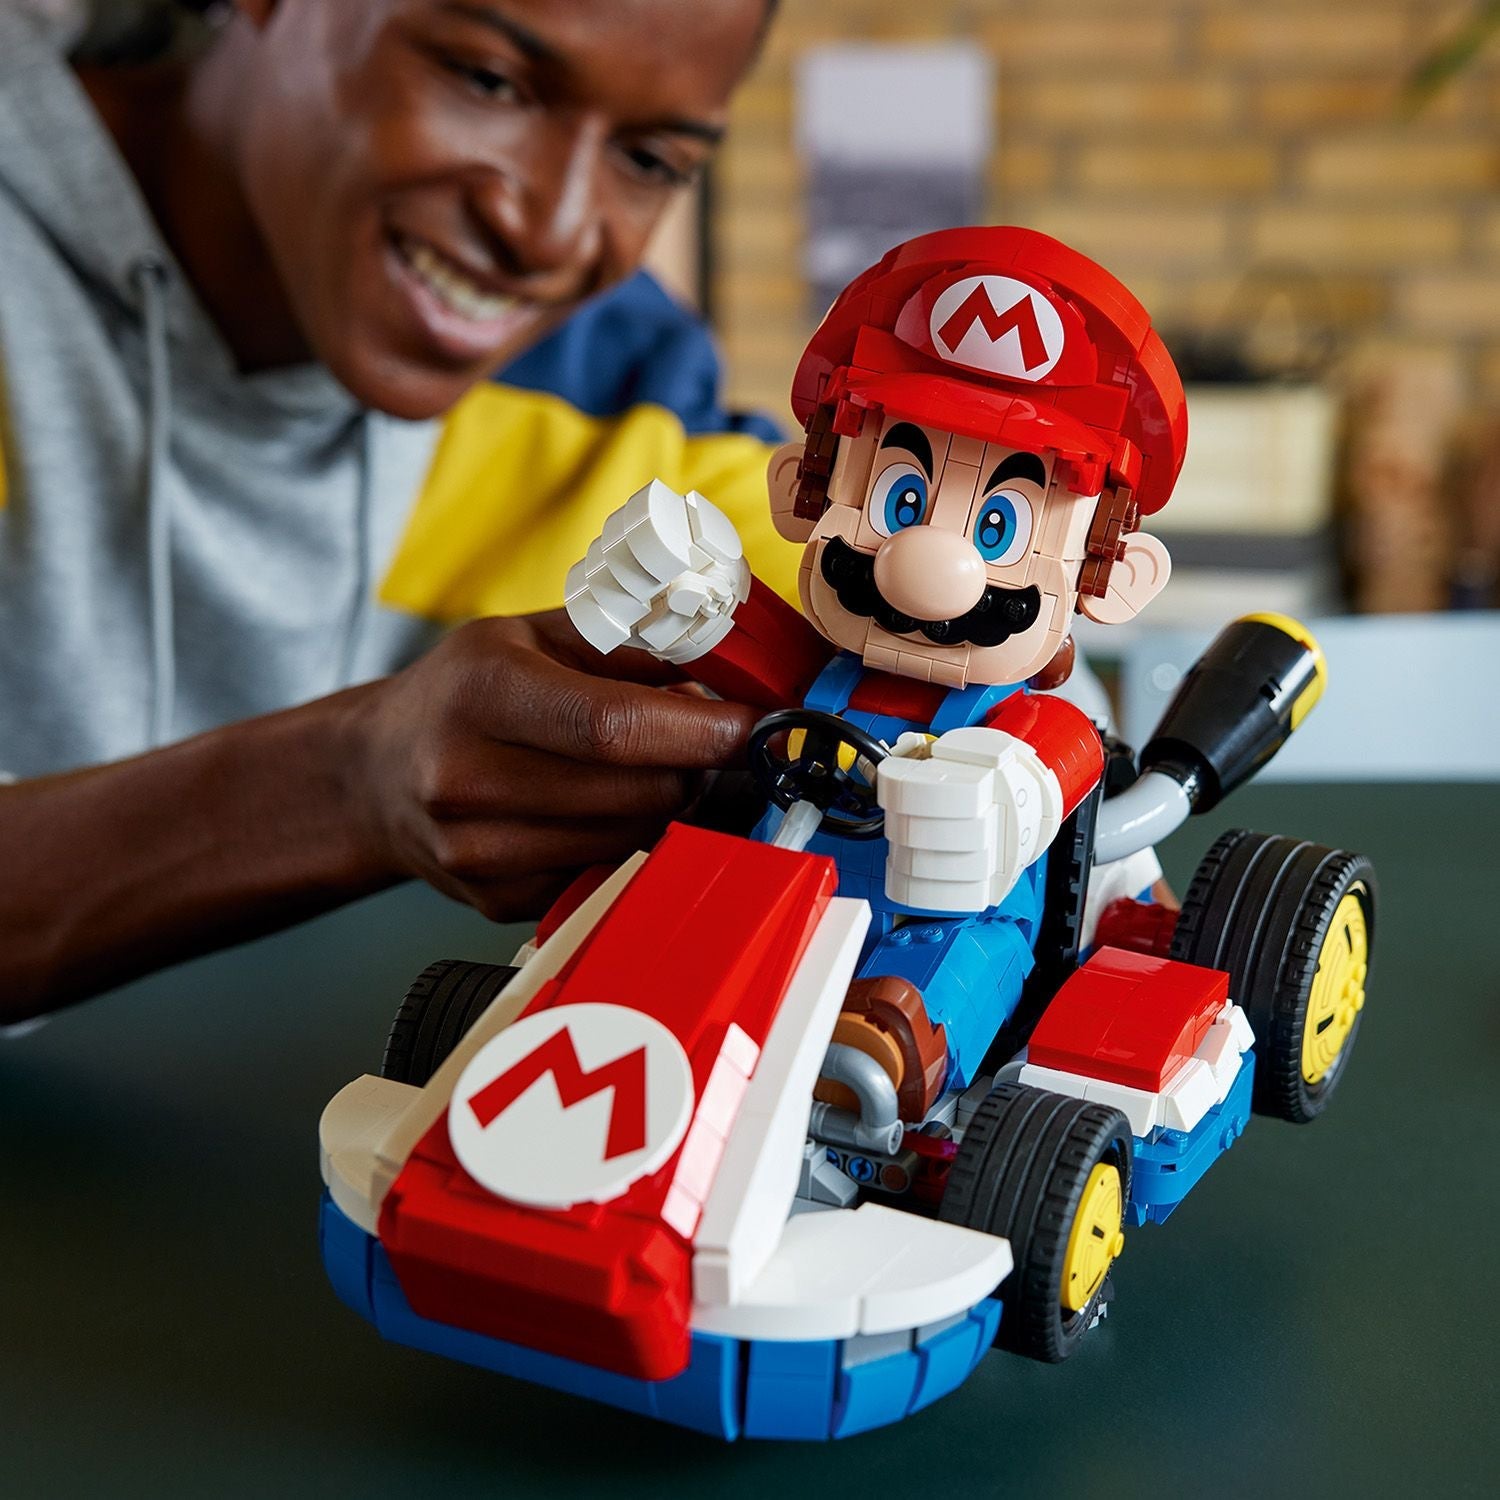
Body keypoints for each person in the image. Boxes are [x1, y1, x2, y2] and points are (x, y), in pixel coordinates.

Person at [0, 0, 794, 1022]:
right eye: (488, 80)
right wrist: (350, 782)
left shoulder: (612, 390)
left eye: (648, 160)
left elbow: (901, 629)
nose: (548, 232)